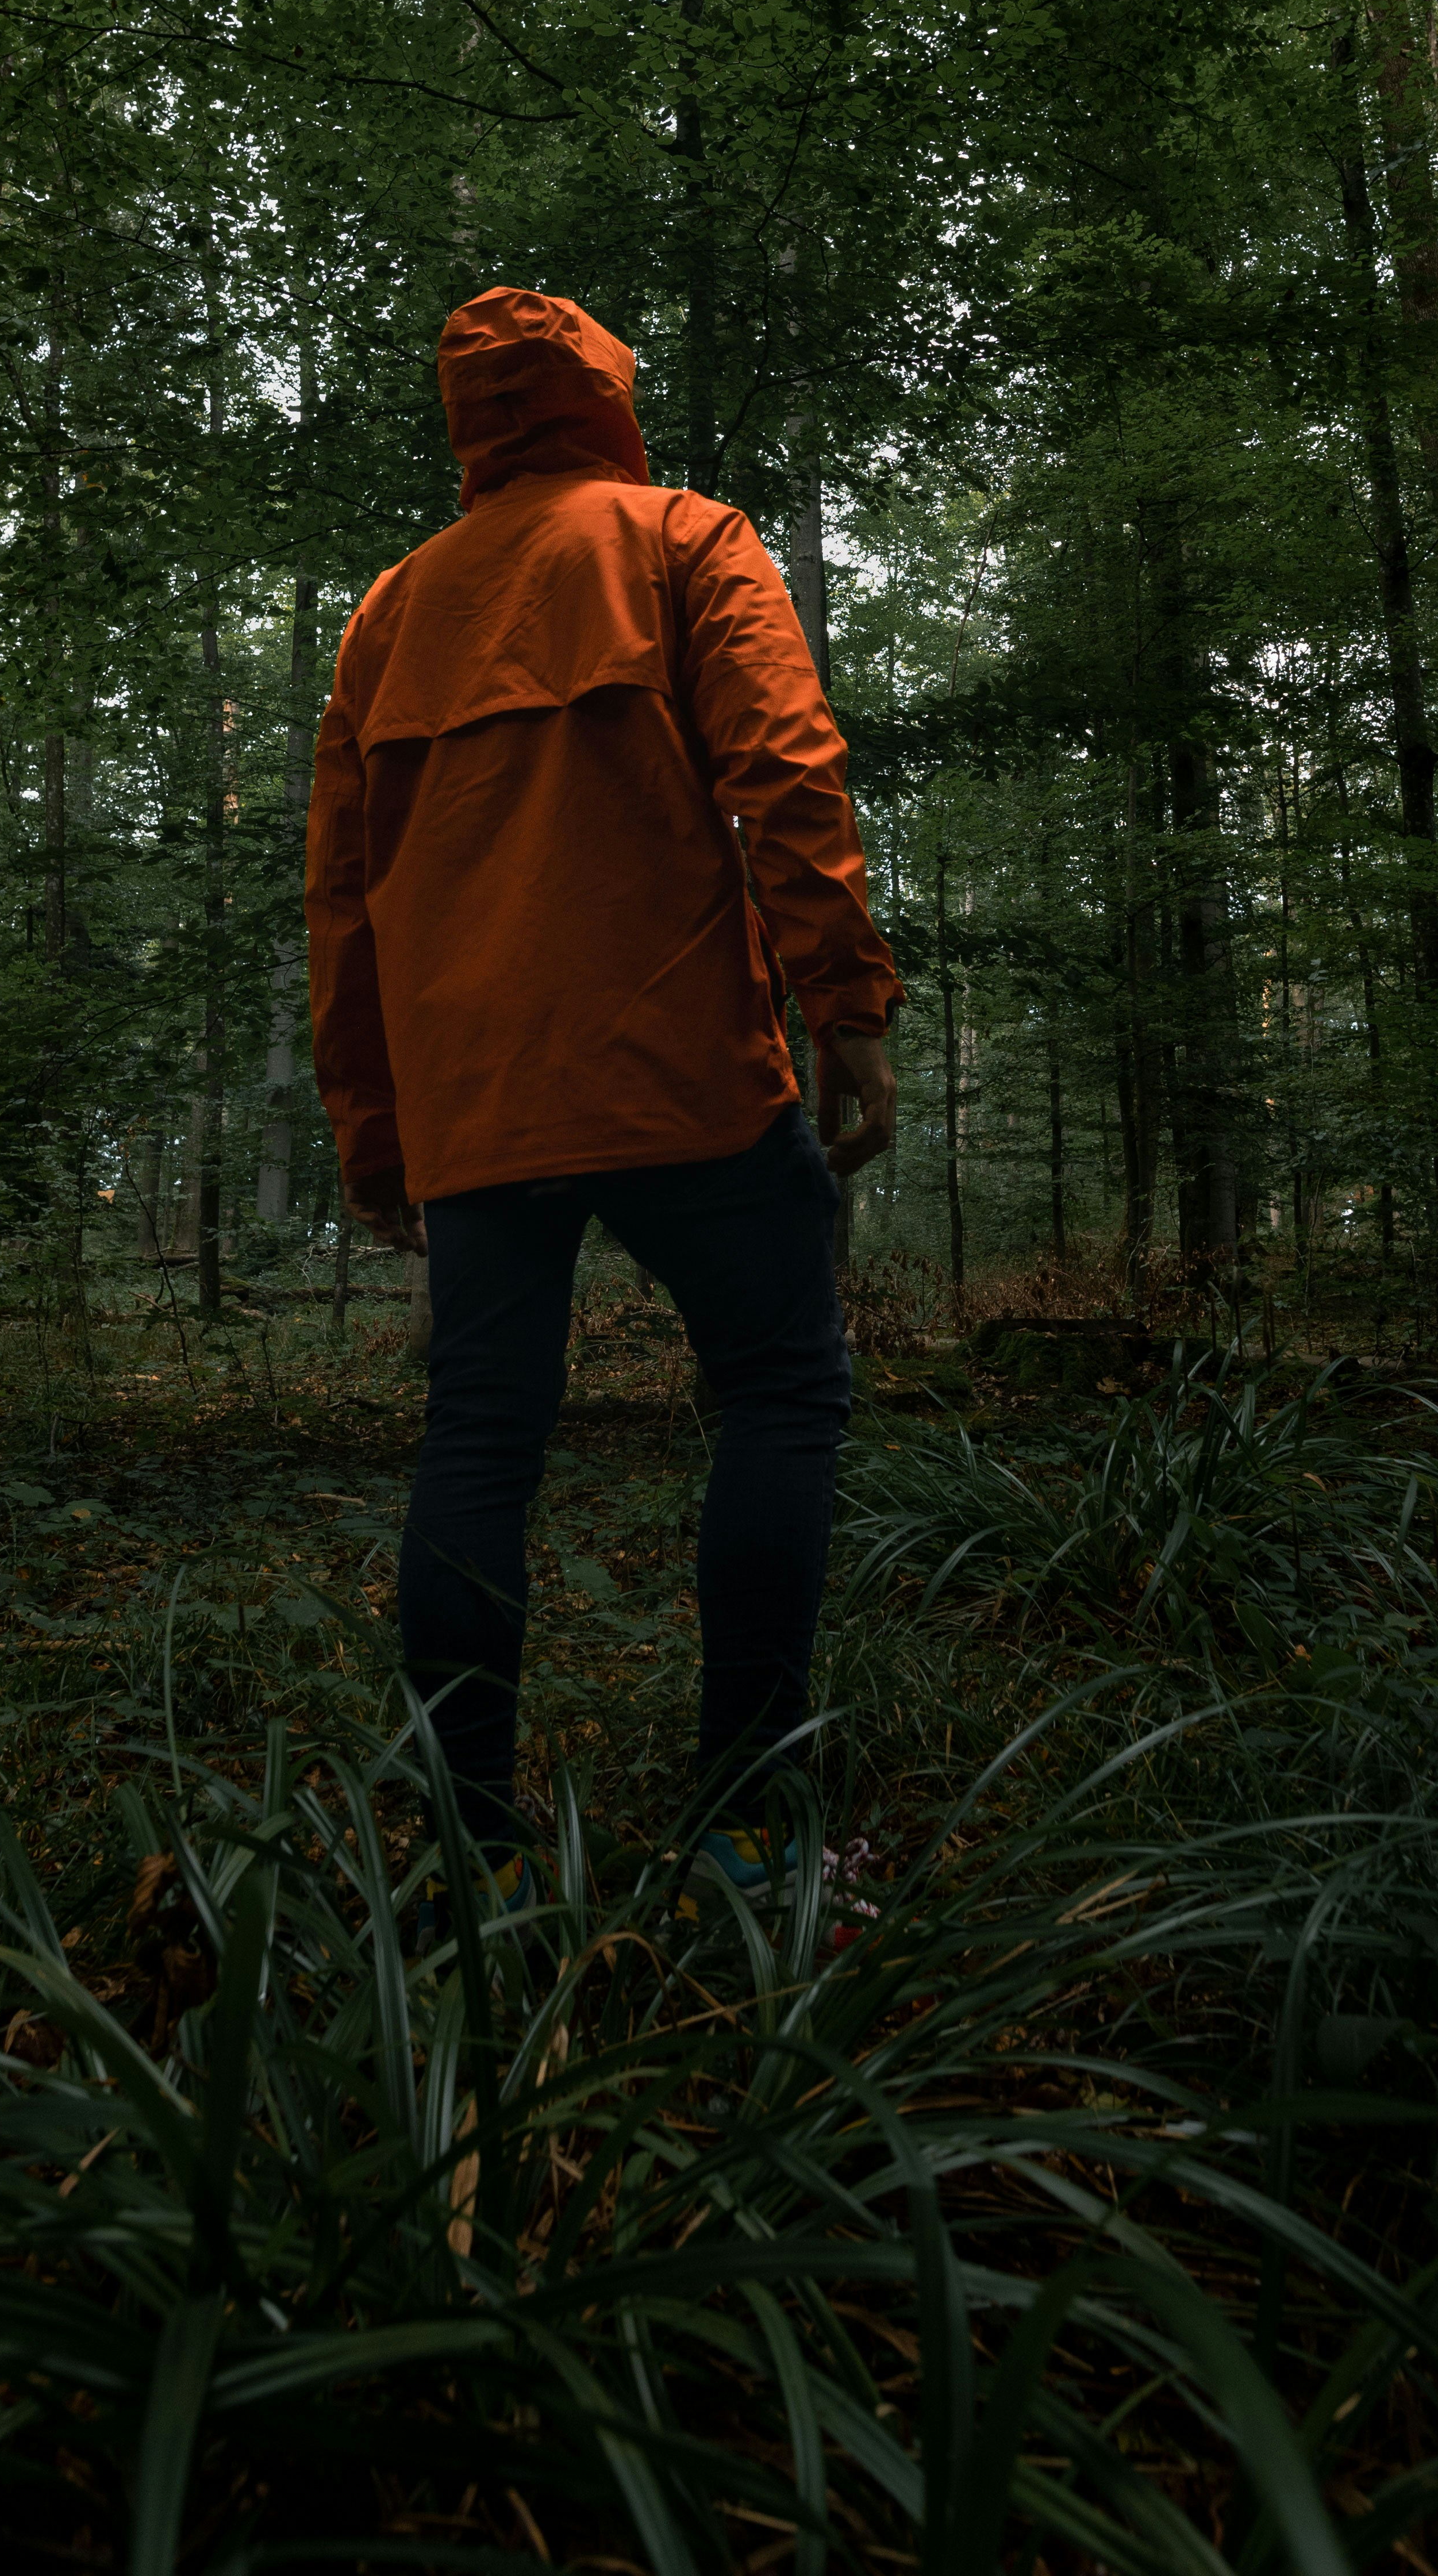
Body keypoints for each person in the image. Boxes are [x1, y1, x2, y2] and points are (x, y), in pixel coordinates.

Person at [305, 286, 900, 1914]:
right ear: (604, 399)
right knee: (781, 1392)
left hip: (483, 1104)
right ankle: (753, 1832)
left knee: (480, 1436)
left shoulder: (388, 612)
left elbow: (343, 899)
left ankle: (460, 1848)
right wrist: (845, 1002)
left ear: (469, 423)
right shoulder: (683, 538)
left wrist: (377, 1125)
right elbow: (787, 767)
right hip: (683, 1079)